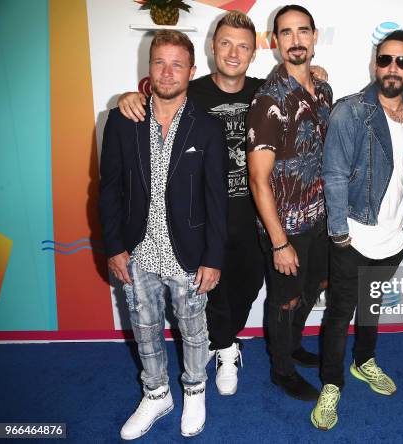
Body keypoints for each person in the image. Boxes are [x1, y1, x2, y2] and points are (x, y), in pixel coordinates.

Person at [118, 11, 327, 396]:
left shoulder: (265, 91)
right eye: (226, 43)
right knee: (208, 290)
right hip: (203, 215)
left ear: (255, 51)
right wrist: (133, 97)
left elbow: (298, 88)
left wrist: (316, 74)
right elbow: (154, 103)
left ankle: (226, 340)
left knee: (247, 287)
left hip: (254, 214)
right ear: (212, 47)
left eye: (243, 46)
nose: (233, 53)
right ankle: (226, 348)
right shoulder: (190, 92)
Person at [99, 30, 227, 439]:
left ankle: (193, 389)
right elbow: (109, 188)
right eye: (159, 63)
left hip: (188, 252)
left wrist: (213, 257)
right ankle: (156, 394)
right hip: (139, 250)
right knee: (144, 325)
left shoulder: (207, 127)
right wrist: (115, 247)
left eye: (177, 64)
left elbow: (216, 199)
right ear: (148, 67)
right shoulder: (122, 119)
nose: (167, 72)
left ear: (192, 71)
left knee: (193, 329)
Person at [311, 30, 403, 430]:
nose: (392, 68)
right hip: (355, 236)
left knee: (373, 305)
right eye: (385, 60)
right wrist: (340, 232)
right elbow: (334, 174)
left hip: (395, 238)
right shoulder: (350, 111)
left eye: (401, 61)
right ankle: (332, 383)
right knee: (339, 314)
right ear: (374, 64)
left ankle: (365, 361)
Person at [246, 4, 332, 401]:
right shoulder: (268, 100)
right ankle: (281, 369)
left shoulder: (324, 89)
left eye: (303, 32)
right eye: (286, 33)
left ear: (314, 36)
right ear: (274, 41)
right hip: (285, 226)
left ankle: (293, 345)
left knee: (313, 288)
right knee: (286, 299)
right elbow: (258, 179)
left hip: (319, 219)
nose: (296, 40)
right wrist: (279, 241)